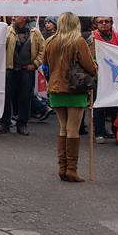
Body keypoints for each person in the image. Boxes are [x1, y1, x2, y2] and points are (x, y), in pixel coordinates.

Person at [42, 12, 96, 183]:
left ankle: (62, 168)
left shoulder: (50, 41)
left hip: (55, 87)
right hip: (75, 88)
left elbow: (45, 63)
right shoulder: (78, 41)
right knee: (73, 129)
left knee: (63, 128)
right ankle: (71, 170)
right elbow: (90, 67)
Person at [0, 16, 44, 136]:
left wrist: (35, 64)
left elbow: (43, 50)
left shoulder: (35, 32)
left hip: (27, 70)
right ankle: (5, 123)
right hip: (10, 69)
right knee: (7, 98)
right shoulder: (7, 30)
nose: (13, 17)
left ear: (24, 18)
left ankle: (22, 124)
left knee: (25, 97)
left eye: (17, 15)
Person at [87, 17, 118, 145]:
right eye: (101, 22)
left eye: (107, 21)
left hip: (115, 77)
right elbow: (88, 56)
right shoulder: (92, 37)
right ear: (96, 24)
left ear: (111, 23)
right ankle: (99, 133)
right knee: (99, 105)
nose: (104, 24)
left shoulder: (117, 36)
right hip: (99, 76)